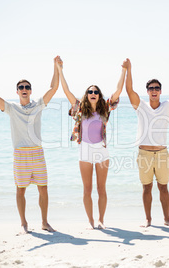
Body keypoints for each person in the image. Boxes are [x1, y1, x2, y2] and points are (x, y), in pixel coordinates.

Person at [0, 57, 60, 234]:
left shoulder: (39, 105)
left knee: (43, 188)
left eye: (27, 87)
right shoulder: (11, 108)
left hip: (37, 153)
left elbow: (53, 88)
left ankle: (44, 222)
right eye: (21, 87)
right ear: (17, 91)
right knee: (20, 190)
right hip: (20, 154)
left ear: (30, 90)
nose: (24, 89)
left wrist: (55, 67)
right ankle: (24, 223)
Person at [56, 56, 125, 229]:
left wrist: (124, 70)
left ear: (99, 96)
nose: (93, 94)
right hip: (84, 150)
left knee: (101, 189)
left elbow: (118, 91)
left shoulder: (105, 108)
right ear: (86, 95)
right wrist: (60, 69)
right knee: (87, 189)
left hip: (101, 150)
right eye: (90, 92)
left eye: (96, 92)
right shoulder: (79, 109)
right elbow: (66, 90)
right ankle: (91, 222)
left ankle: (101, 220)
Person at [123, 58, 169, 228]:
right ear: (147, 91)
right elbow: (129, 90)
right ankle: (148, 220)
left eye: (157, 88)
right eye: (151, 88)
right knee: (146, 188)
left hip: (161, 154)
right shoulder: (140, 106)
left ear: (160, 91)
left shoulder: (167, 106)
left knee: (163, 188)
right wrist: (129, 69)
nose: (154, 91)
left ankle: (167, 219)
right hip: (144, 153)